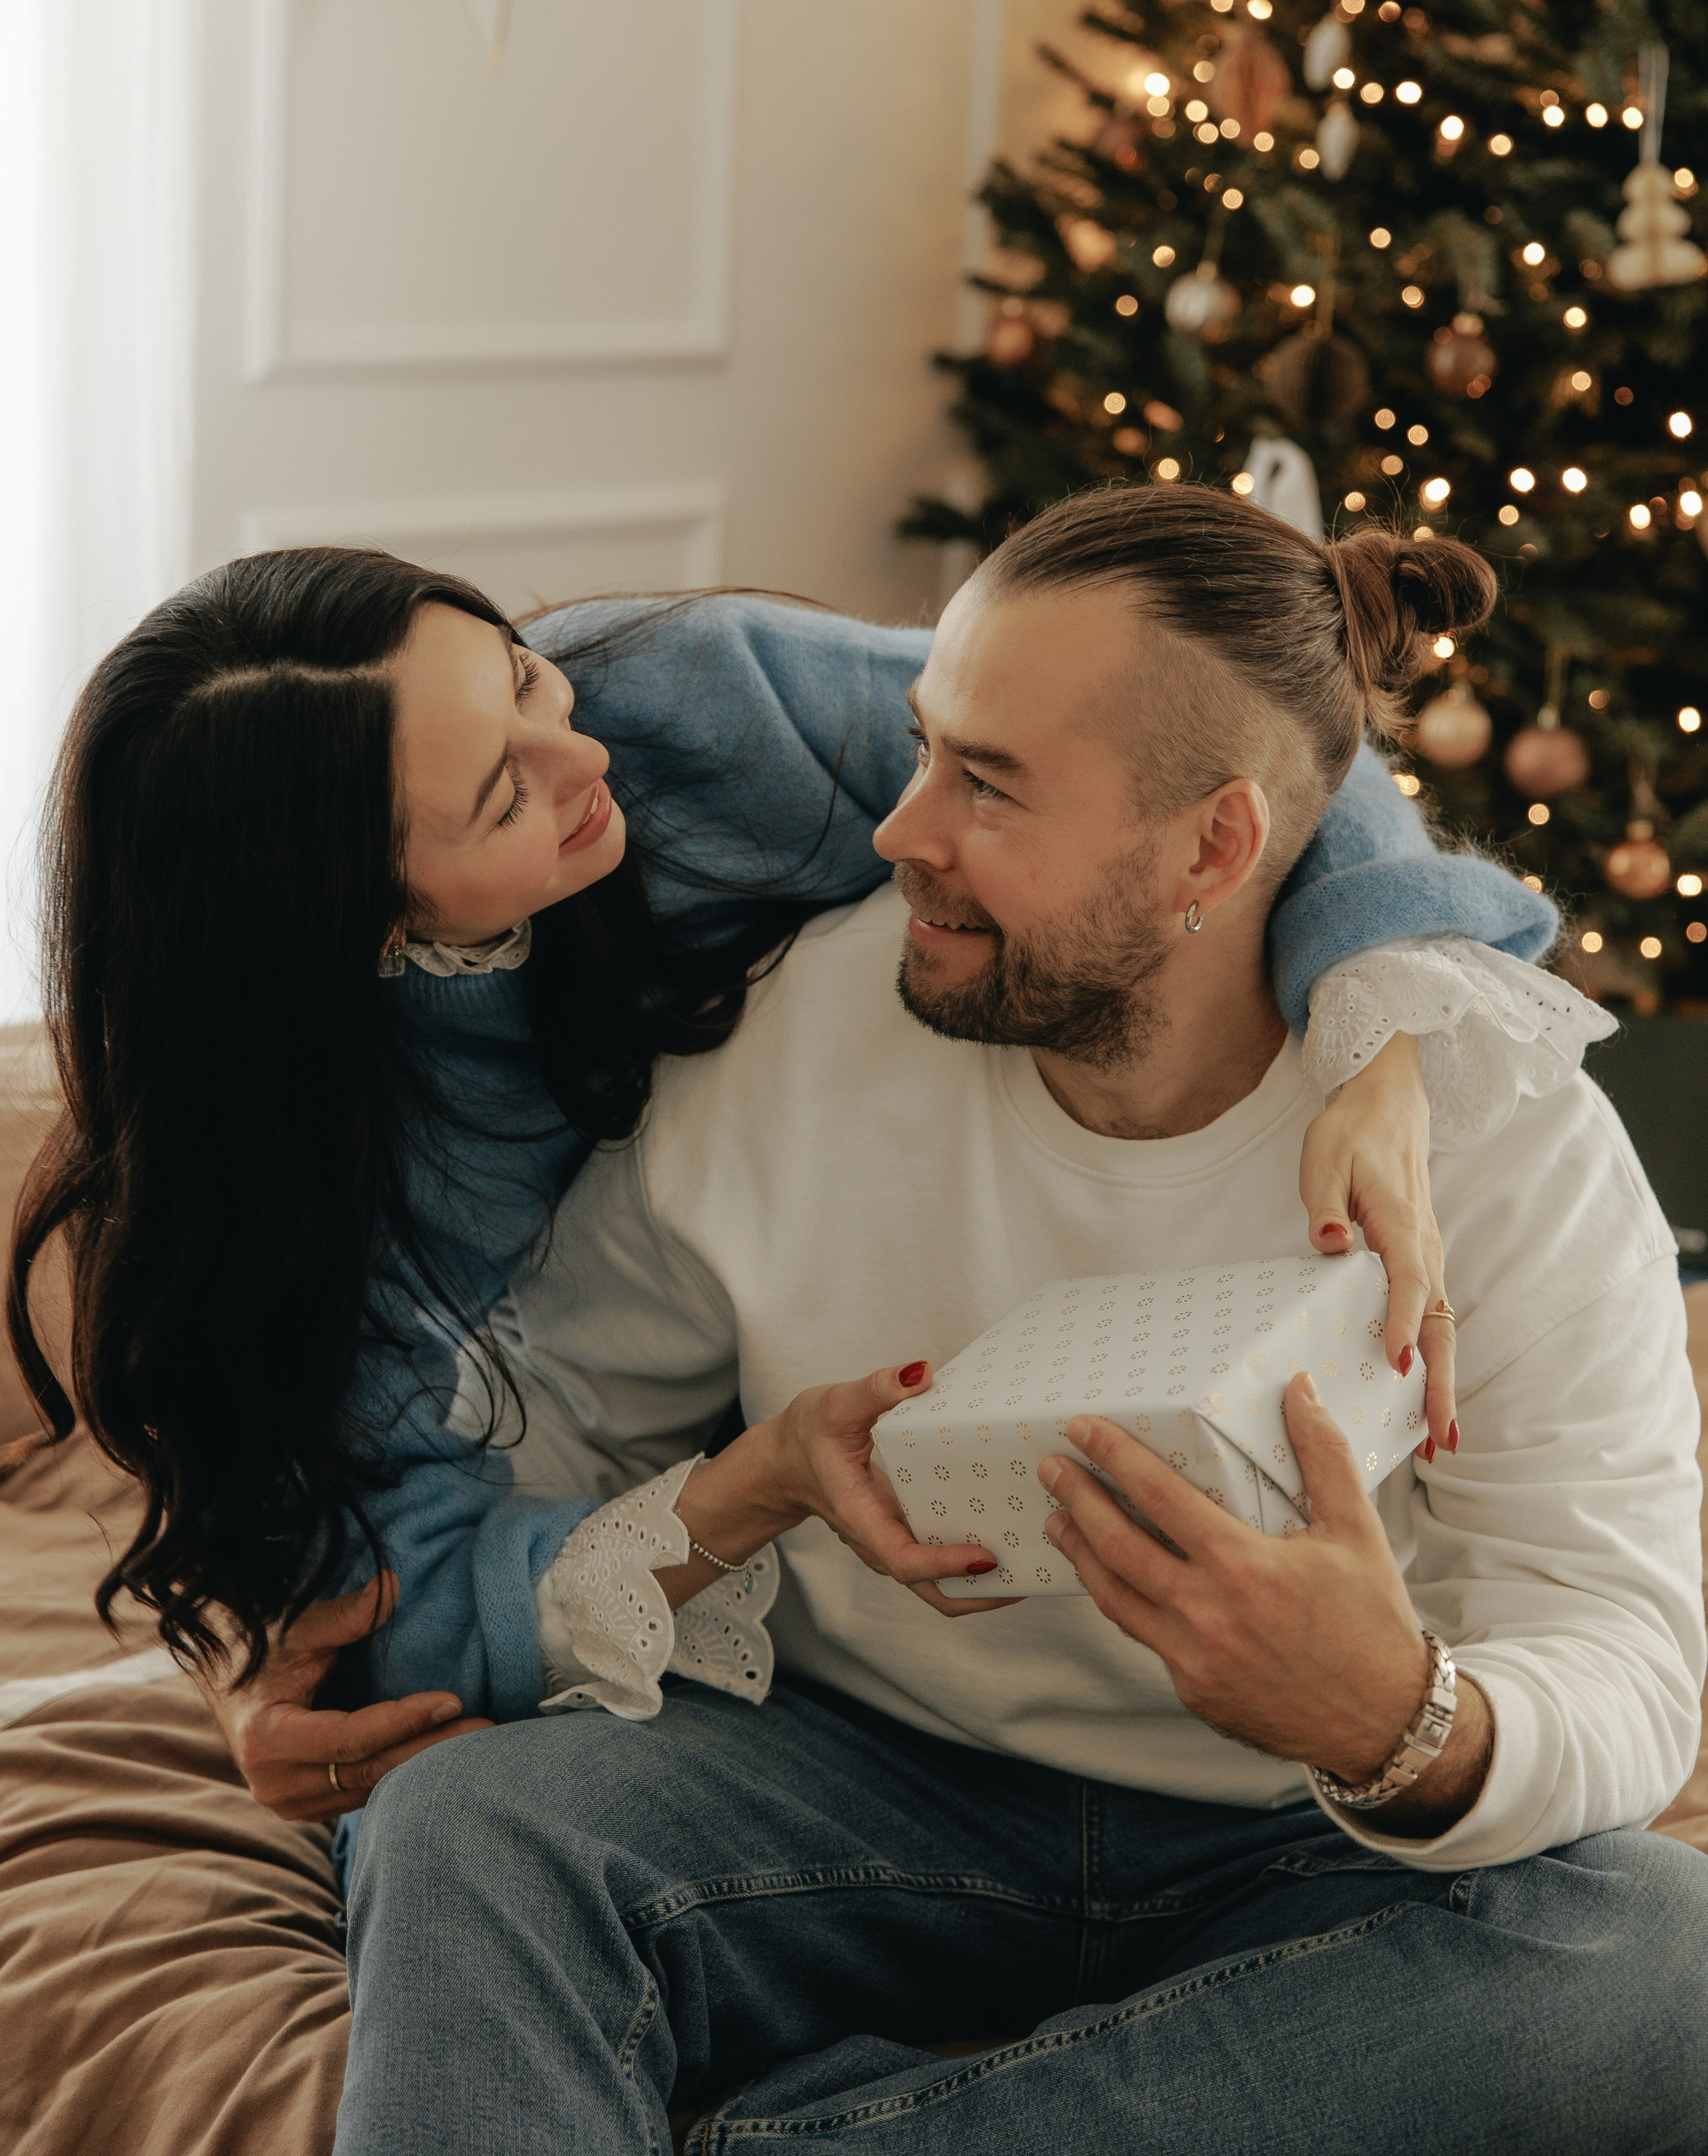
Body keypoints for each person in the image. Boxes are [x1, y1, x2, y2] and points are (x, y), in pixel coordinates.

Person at [332, 492, 1707, 2155]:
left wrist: (1392, 1717)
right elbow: (540, 1436)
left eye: (984, 785)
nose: (899, 832)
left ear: (1214, 845)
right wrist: (740, 1491)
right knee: (464, 1829)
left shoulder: (1494, 1130)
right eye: (921, 751)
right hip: (857, 1793)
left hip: (1306, 1852)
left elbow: (1625, 1661)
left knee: (1660, 1958)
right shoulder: (797, 1031)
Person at [7, 544, 1571, 1824]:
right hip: (688, 1484)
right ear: (340, 928)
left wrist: (1375, 1032)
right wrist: (265, 1654)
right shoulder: (319, 1188)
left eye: (524, 676)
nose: (584, 752)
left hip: (872, 1292)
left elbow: (1224, 731)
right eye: (500, 792)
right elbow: (389, 1595)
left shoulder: (684, 700)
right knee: (448, 1835)